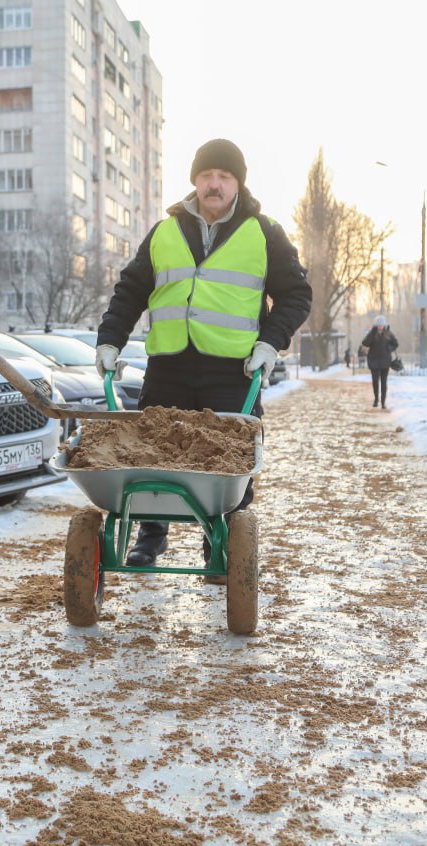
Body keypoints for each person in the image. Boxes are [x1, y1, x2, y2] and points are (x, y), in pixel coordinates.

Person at [94, 138, 313, 568]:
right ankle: (150, 536)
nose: (214, 184)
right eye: (207, 175)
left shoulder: (265, 233)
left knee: (229, 462)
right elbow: (131, 291)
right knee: (153, 454)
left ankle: (223, 540)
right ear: (195, 179)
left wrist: (270, 343)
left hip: (232, 371)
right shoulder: (165, 230)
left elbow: (296, 296)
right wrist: (109, 339)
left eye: (224, 176)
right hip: (169, 367)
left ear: (238, 183)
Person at [361, 315, 399, 410]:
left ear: (384, 324)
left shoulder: (388, 333)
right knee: (375, 382)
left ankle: (383, 402)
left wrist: (389, 349)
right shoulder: (372, 333)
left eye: (381, 324)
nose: (380, 326)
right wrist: (372, 333)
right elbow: (365, 343)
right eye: (378, 324)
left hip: (385, 361)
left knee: (383, 382)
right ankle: (376, 399)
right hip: (373, 361)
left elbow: (395, 343)